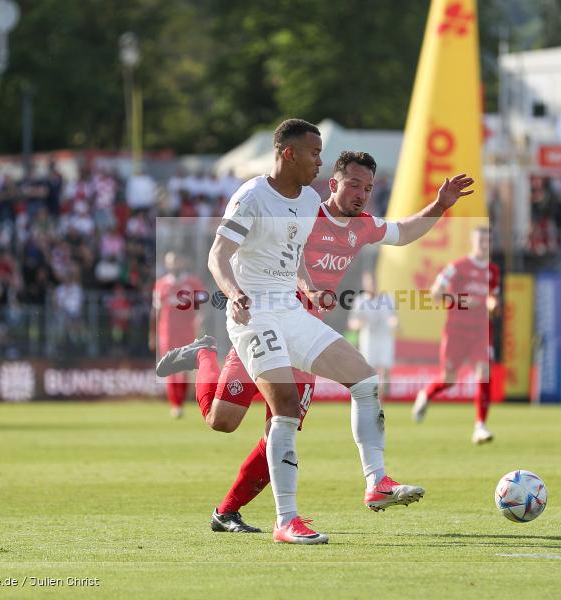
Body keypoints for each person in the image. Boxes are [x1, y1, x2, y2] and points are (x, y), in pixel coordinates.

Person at [159, 127, 473, 541]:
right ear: (330, 180)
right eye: (353, 184)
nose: (361, 193)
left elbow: (400, 231)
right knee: (224, 420)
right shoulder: (269, 199)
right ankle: (204, 356)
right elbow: (219, 254)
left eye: (368, 187)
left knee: (350, 386)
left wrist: (438, 205)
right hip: (256, 316)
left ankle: (366, 486)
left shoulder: (349, 221)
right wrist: (234, 292)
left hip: (296, 319)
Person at [412, 227, 500, 445]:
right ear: (473, 242)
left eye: (488, 241)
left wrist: (493, 304)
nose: (484, 245)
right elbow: (435, 293)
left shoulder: (493, 271)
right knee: (449, 379)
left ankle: (480, 426)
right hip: (457, 330)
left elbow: (493, 299)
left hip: (481, 330)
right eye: (481, 240)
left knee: (484, 371)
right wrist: (461, 300)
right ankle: (426, 394)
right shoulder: (457, 267)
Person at [150, 252, 205, 418]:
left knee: (184, 369)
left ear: (182, 262)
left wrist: (200, 319)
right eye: (170, 262)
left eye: (176, 261)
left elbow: (202, 306)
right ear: (166, 264)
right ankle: (175, 404)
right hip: (167, 331)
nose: (173, 265)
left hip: (187, 331)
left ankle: (179, 402)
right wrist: (152, 334)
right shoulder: (160, 285)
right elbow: (156, 311)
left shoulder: (193, 282)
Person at [348, 271, 398, 399]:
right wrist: (359, 323)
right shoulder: (360, 301)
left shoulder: (388, 299)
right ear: (365, 284)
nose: (372, 285)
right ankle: (372, 400)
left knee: (384, 371)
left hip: (385, 338)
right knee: (370, 372)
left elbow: (393, 318)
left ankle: (380, 402)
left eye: (374, 282)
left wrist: (394, 323)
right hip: (369, 339)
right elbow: (352, 323)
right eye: (369, 283)